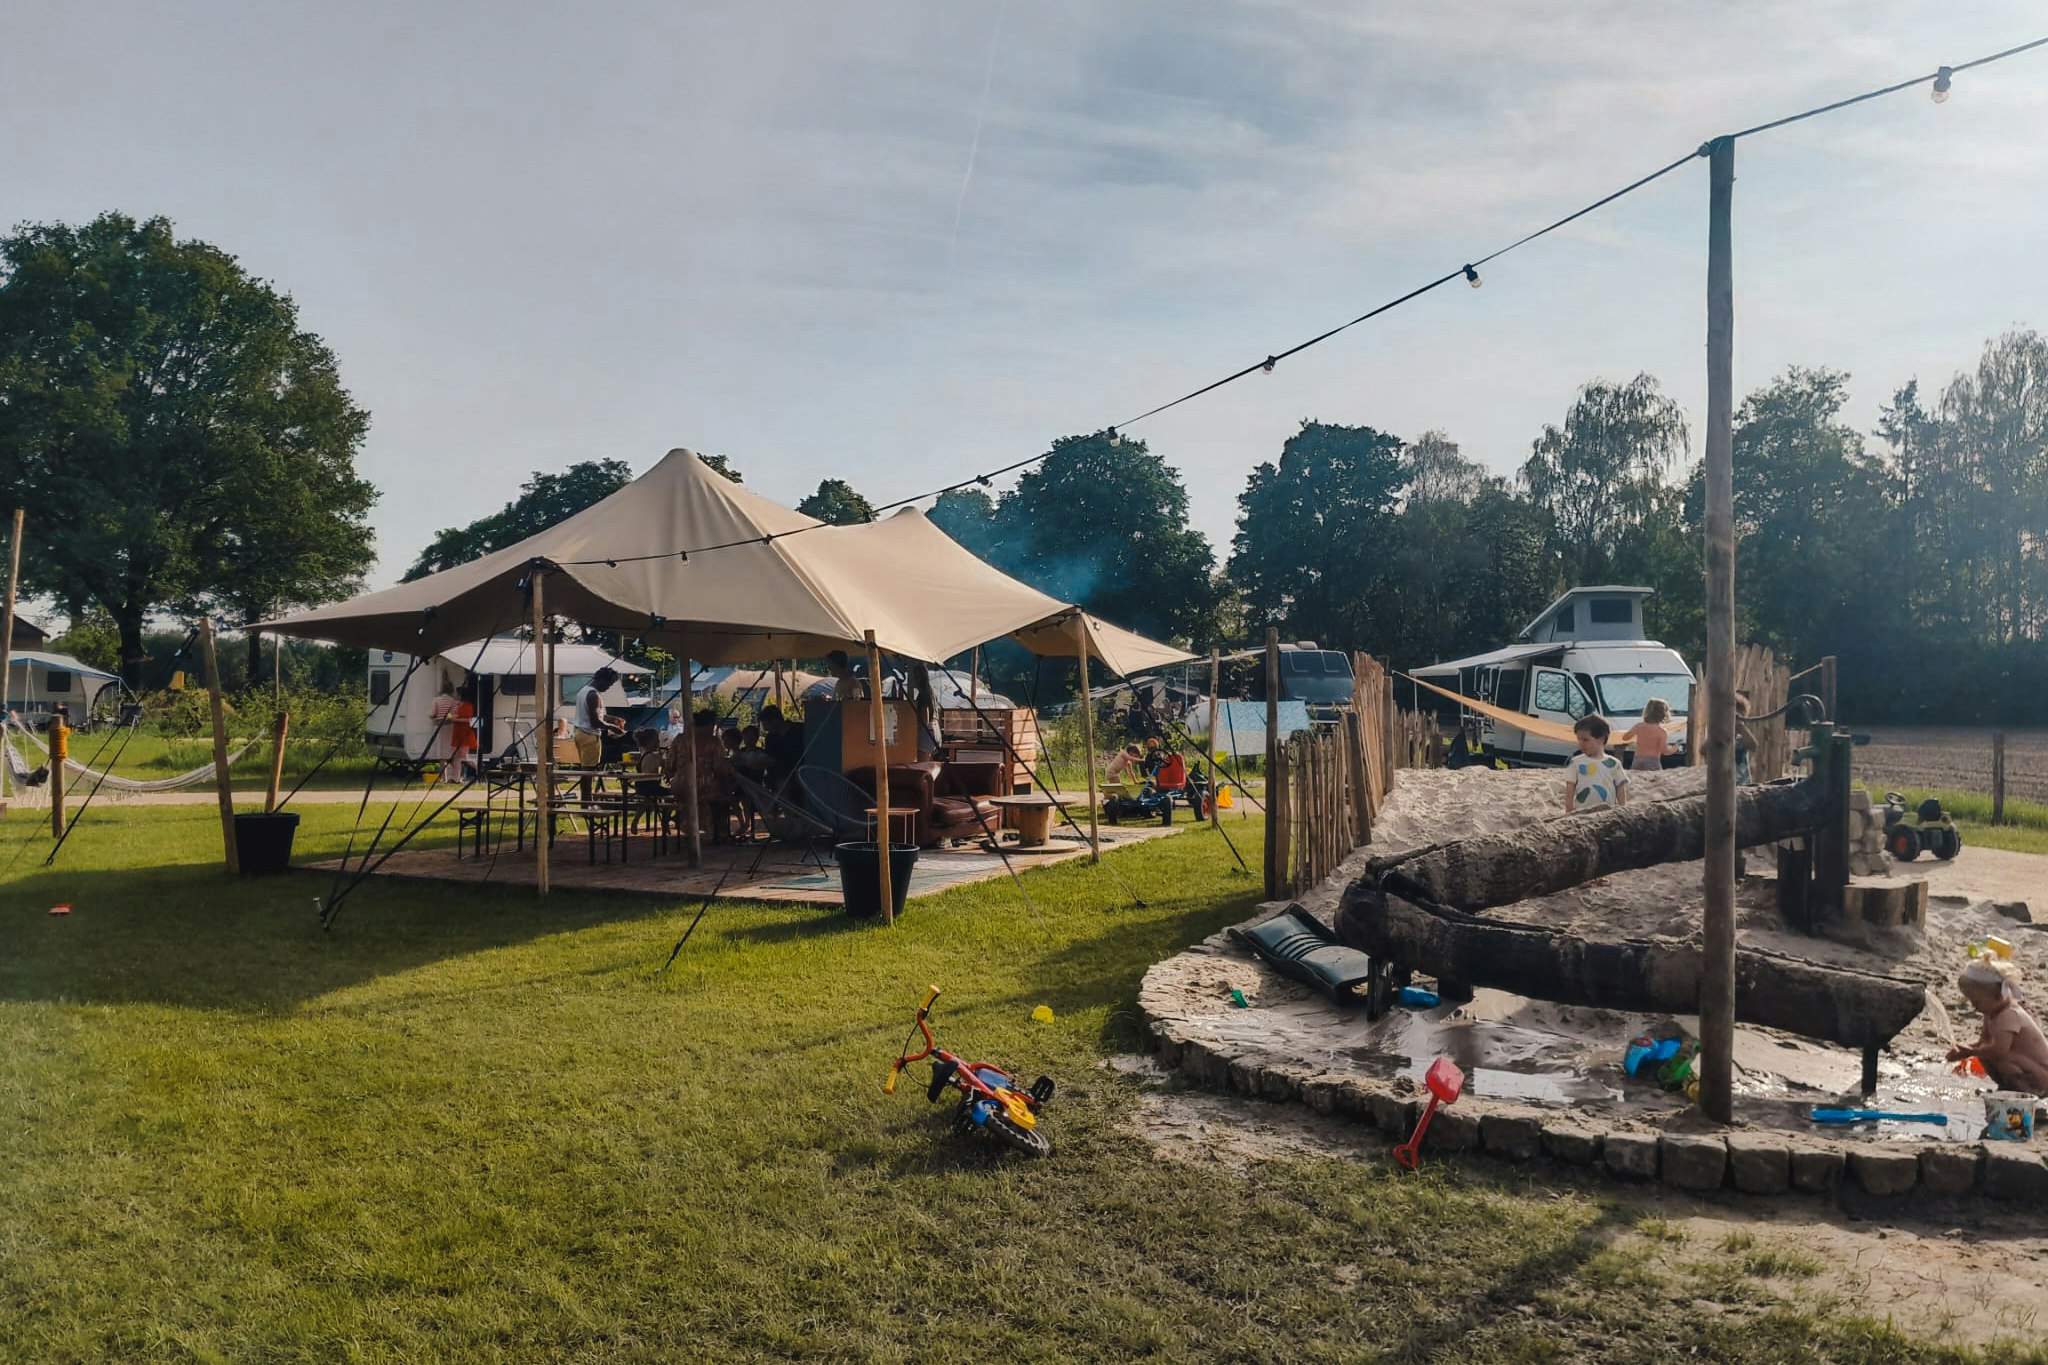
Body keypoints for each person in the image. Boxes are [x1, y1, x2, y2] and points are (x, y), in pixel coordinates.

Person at [1948, 960, 2048, 1093]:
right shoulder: (1991, 1012)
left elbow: (1999, 1050)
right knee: (1984, 1053)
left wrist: (1971, 1052)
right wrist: (1964, 1049)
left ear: (1998, 995)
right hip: (2024, 1067)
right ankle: (2007, 1089)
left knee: (1999, 1058)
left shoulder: (2009, 1015)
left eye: (1977, 1001)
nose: (1974, 1007)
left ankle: (2026, 1093)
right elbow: (1983, 1042)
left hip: (2041, 1077)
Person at [1564, 714, 1628, 814]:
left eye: (1585, 739)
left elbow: (1620, 787)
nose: (1580, 743)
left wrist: (1622, 809)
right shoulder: (1576, 762)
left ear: (1601, 739)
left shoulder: (1614, 763)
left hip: (1607, 812)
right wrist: (1568, 810)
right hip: (1582, 812)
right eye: (1578, 739)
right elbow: (1570, 787)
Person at [573, 666, 626, 766]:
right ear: (602, 681)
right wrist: (614, 728)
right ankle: (587, 782)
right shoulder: (594, 695)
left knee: (585, 766)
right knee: (589, 769)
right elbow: (596, 722)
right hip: (589, 734)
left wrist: (611, 719)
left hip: (580, 732)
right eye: (609, 684)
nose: (608, 688)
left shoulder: (583, 691)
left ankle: (586, 781)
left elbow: (590, 714)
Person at [1620, 698, 1678, 772]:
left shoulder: (1638, 726)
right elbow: (1665, 751)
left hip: (1637, 760)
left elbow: (1625, 738)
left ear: (1647, 711)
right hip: (1653, 761)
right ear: (1664, 714)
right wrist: (1674, 748)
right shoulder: (1661, 732)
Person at [759, 704, 806, 789]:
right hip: (780, 776)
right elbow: (771, 759)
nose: (765, 729)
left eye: (766, 724)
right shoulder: (770, 738)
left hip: (802, 773)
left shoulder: (800, 731)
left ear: (775, 721)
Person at [448, 677, 479, 782]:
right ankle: (455, 778)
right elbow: (453, 715)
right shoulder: (458, 705)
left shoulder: (468, 705)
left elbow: (468, 720)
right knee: (455, 757)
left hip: (465, 733)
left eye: (457, 694)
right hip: (457, 733)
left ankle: (480, 770)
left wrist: (456, 719)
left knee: (464, 756)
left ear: (461, 695)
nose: (455, 695)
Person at [907, 662, 939, 758]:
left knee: (922, 766)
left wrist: (913, 729)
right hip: (934, 729)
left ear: (918, 678)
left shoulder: (923, 694)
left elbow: (925, 717)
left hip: (926, 732)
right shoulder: (930, 691)